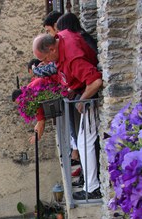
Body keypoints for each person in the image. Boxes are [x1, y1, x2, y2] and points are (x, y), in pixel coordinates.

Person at [33, 32, 103, 200]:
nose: (48, 63)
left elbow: (96, 81)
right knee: (82, 141)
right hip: (79, 93)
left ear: (51, 48)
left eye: (47, 59)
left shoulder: (72, 57)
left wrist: (82, 100)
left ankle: (93, 188)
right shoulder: (61, 38)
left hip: (89, 100)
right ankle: (90, 184)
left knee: (85, 142)